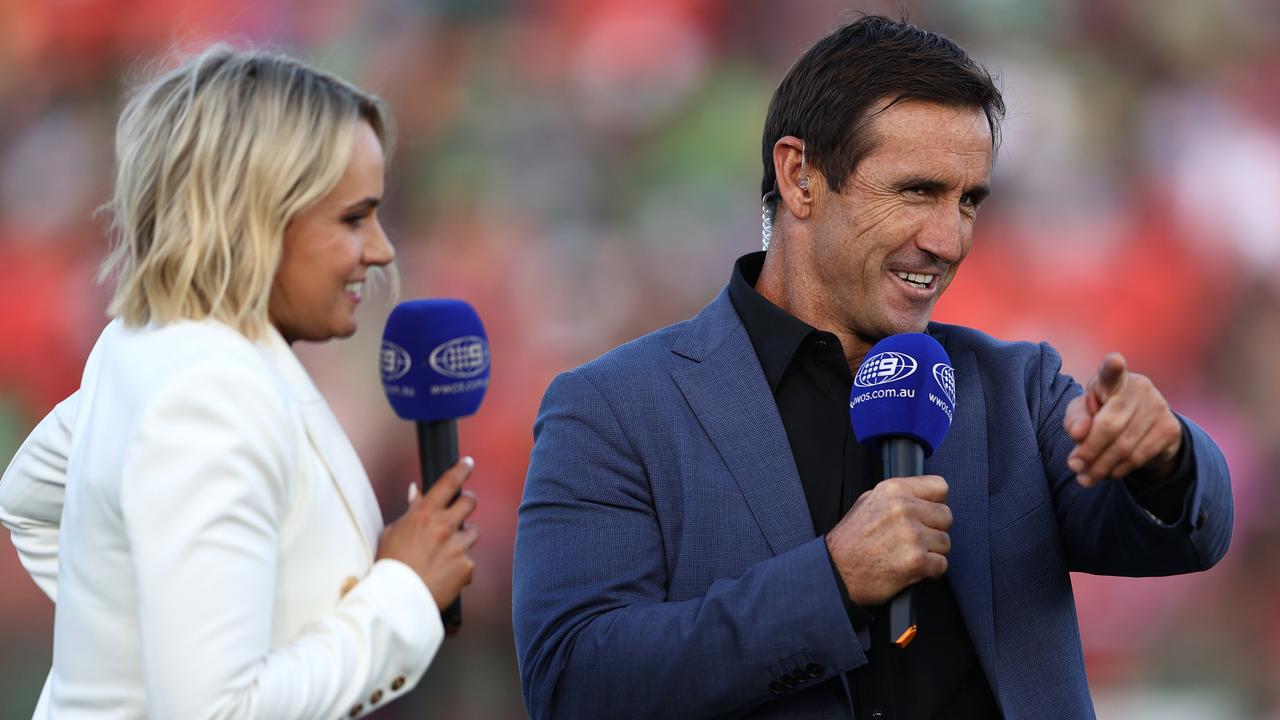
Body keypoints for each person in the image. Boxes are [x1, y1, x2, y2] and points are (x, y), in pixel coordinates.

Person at [512, 15, 1232, 720]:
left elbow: (1187, 534)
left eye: (970, 201)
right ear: (800, 177)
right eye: (917, 191)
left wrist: (1161, 457)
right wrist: (828, 584)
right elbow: (575, 681)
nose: (949, 241)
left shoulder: (1019, 391)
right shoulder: (614, 409)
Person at [0, 46, 479, 719]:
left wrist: (147, 628)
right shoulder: (211, 391)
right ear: (257, 217)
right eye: (352, 218)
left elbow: (26, 498)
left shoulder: (150, 345)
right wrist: (401, 593)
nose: (381, 250)